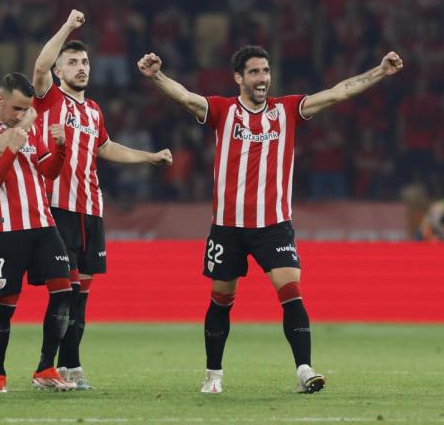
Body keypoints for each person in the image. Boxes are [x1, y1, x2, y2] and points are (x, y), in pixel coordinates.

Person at [138, 45, 404, 394]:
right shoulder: (222, 110)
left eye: (265, 71)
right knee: (221, 298)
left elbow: (339, 92)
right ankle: (213, 375)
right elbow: (186, 97)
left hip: (274, 225)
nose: (262, 78)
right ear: (238, 77)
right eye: (254, 72)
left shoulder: (288, 109)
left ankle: (304, 370)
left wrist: (380, 71)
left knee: (291, 291)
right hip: (228, 226)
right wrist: (156, 75)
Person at [31, 11, 172, 390]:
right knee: (64, 291)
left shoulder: (93, 111)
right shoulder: (49, 98)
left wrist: (148, 157)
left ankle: (71, 367)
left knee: (81, 298)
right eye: (73, 62)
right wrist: (67, 28)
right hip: (58, 208)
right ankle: (46, 368)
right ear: (60, 72)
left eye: (85, 62)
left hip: (91, 210)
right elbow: (41, 64)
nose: (82, 67)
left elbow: (106, 148)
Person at [0, 72, 73, 393]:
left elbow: (47, 169)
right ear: (0, 101)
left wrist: (61, 148)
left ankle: (45, 367)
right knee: (7, 304)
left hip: (43, 224)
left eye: (26, 110)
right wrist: (12, 144)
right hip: (7, 230)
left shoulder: (29, 126)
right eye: (16, 109)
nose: (21, 115)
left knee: (64, 293)